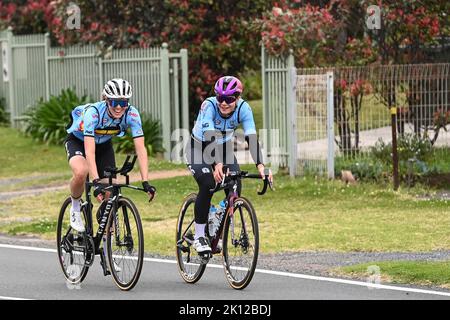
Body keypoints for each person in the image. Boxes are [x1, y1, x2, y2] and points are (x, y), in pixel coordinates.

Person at [185, 75, 273, 254]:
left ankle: (217, 217)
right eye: (220, 98)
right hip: (198, 147)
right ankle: (200, 235)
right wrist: (217, 163)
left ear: (238, 98)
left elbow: (251, 137)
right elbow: (209, 135)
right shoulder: (208, 106)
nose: (224, 103)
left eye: (229, 99)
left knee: (235, 185)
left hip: (224, 147)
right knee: (208, 183)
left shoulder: (244, 108)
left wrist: (261, 167)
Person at [65, 78, 156, 232]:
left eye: (123, 102)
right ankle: (75, 208)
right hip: (79, 142)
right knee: (81, 171)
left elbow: (141, 149)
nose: (119, 108)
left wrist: (145, 181)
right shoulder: (93, 113)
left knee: (111, 188)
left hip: (104, 145)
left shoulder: (132, 114)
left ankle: (105, 225)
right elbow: (89, 152)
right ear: (106, 100)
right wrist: (95, 182)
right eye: (114, 103)